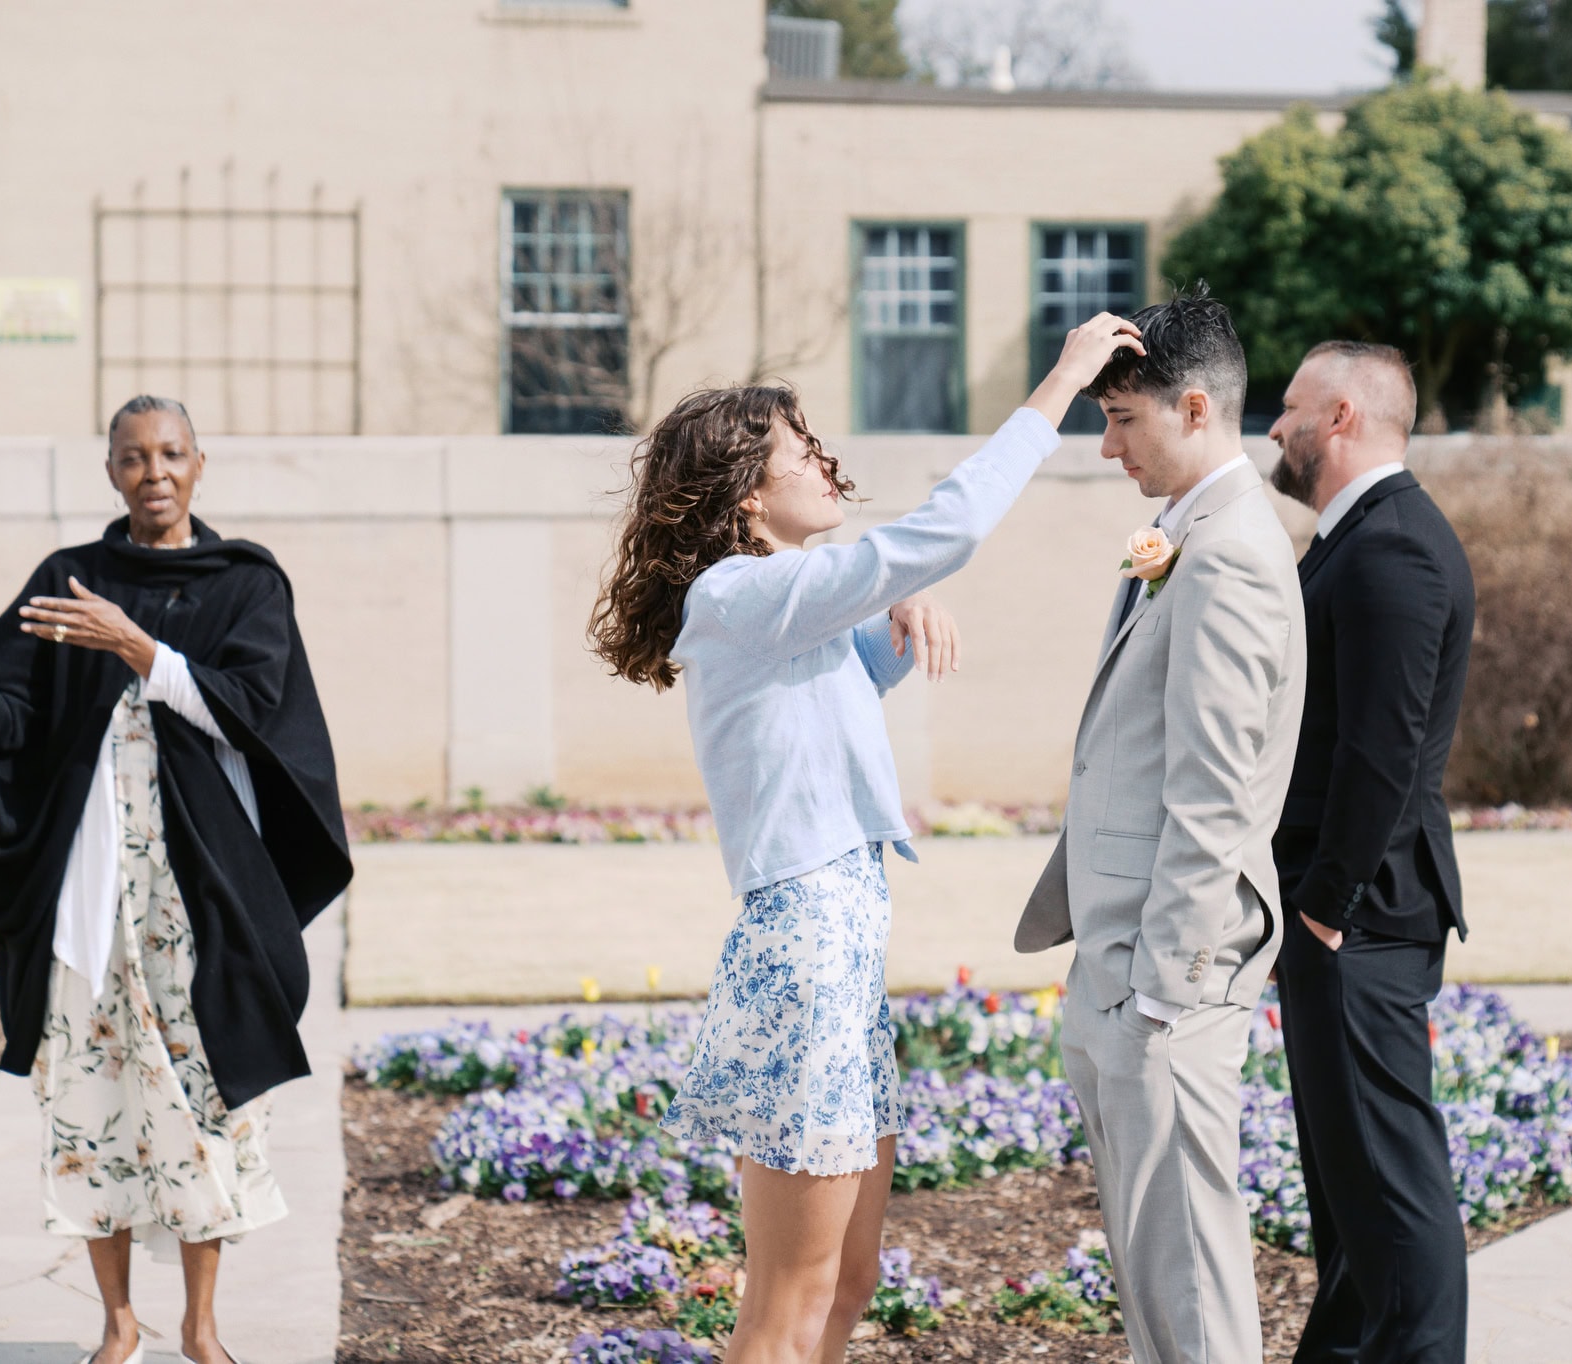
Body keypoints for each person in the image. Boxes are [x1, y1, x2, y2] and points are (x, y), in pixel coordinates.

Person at [589, 312, 1142, 1364]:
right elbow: (934, 532)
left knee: (847, 1281)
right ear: (747, 493)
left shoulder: (780, 611)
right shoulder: (734, 593)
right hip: (803, 948)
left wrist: (898, 605)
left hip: (841, 949)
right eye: (801, 452)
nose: (824, 463)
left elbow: (844, 664)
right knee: (786, 1301)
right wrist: (1062, 381)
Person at [0, 395, 352, 1364]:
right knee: (91, 1107)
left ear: (200, 463)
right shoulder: (69, 579)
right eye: (133, 457)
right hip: (88, 892)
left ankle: (202, 1325)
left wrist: (139, 648)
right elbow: (7, 706)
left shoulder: (244, 582)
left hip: (198, 895)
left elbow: (257, 710)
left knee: (202, 1108)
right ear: (110, 471)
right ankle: (118, 1321)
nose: (154, 471)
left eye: (171, 453)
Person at [1014, 287, 1306, 1364]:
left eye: (1120, 419)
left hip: (1164, 975)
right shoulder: (1184, 533)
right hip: (1120, 955)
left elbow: (1214, 793)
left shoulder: (1228, 550)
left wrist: (1156, 989)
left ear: (1193, 407)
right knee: (1152, 1275)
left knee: (1186, 1275)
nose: (1105, 447)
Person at [1266, 341, 1476, 1364]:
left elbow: (1382, 748)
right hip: (1342, 913)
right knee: (1348, 1196)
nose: (1273, 424)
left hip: (1360, 913)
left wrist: (1321, 903)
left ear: (1339, 416)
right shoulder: (1353, 538)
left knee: (1390, 1193)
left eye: (1288, 406)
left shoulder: (1392, 545)